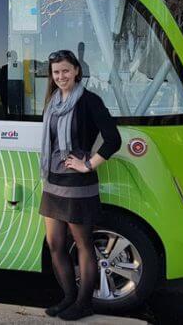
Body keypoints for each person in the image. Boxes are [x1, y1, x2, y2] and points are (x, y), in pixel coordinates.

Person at [39, 50, 121, 320]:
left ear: (76, 70)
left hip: (77, 183)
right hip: (53, 180)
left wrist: (88, 164)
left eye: (65, 70)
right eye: (56, 72)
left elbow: (113, 139)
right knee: (55, 243)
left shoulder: (89, 101)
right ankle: (69, 298)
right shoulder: (53, 101)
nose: (61, 76)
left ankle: (84, 303)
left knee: (83, 244)